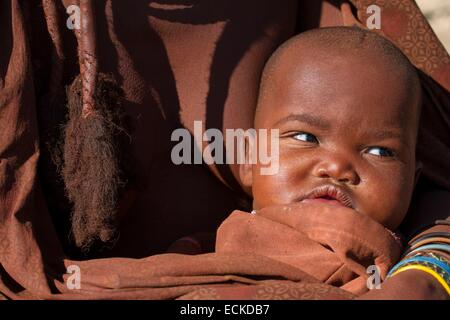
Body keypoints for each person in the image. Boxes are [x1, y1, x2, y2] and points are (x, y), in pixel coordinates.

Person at [0, 0, 449, 299]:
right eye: (306, 139)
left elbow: (438, 167)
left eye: (377, 153)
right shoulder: (23, 22)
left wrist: (427, 272)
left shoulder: (340, 18)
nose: (335, 165)